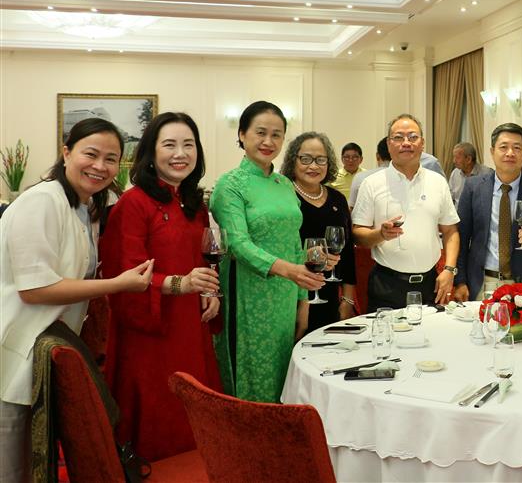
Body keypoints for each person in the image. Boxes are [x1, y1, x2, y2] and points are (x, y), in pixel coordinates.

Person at [0, 119, 153, 481]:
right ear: (66, 152)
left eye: (111, 159)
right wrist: (116, 285)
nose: (100, 166)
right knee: (11, 465)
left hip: (40, 351)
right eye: (91, 154)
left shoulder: (84, 208)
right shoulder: (42, 201)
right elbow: (34, 289)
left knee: (34, 463)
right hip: (13, 347)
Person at [99, 112, 222, 461]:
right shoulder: (133, 203)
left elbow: (202, 257)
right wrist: (181, 284)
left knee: (194, 410)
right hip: (151, 330)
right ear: (151, 153)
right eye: (169, 145)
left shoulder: (193, 204)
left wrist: (210, 291)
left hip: (190, 326)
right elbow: (125, 273)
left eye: (188, 145)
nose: (180, 153)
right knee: (161, 417)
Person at [209, 101, 325, 402]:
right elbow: (237, 243)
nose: (268, 141)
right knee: (252, 375)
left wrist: (303, 300)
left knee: (283, 370)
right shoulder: (229, 185)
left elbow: (294, 244)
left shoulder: (284, 183)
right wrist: (289, 271)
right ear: (242, 134)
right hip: (249, 293)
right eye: (260, 132)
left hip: (286, 295)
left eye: (276, 135)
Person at [352, 114, 459, 309]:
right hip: (386, 285)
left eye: (413, 137)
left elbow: (450, 231)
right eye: (398, 137)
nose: (406, 143)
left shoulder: (438, 182)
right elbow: (358, 234)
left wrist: (449, 270)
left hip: (430, 285)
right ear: (388, 144)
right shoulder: (372, 184)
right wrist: (380, 234)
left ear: (422, 143)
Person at [453, 123, 522, 301]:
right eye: (503, 147)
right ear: (492, 152)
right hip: (483, 282)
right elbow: (461, 235)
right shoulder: (473, 187)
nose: (510, 153)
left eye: (517, 148)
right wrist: (460, 281)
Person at [281, 132, 358, 329]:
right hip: (291, 295)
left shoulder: (337, 199)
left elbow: (347, 252)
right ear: (293, 160)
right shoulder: (283, 198)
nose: (314, 166)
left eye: (320, 160)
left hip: (330, 295)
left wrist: (348, 299)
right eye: (305, 159)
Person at [349, 137, 389, 209]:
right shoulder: (406, 178)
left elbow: (352, 208)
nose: (350, 160)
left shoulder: (361, 177)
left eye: (355, 157)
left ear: (377, 156)